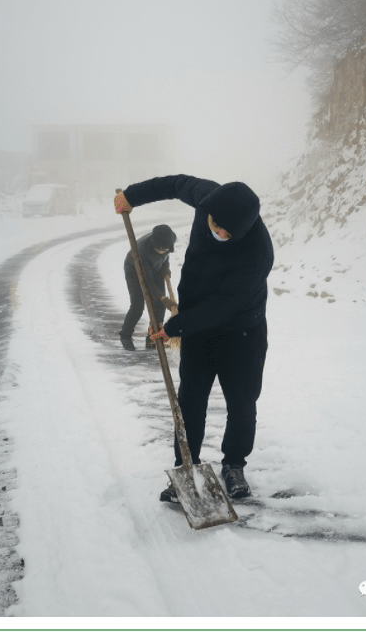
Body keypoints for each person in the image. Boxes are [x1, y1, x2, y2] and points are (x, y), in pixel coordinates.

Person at [115, 175, 274, 502]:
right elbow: (173, 184)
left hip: (241, 331)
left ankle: (233, 465)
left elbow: (224, 305)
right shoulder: (209, 200)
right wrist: (132, 196)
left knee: (242, 403)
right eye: (214, 226)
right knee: (190, 401)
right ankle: (186, 465)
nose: (217, 233)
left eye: (226, 234)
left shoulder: (258, 253)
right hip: (199, 328)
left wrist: (174, 327)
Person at [119, 223, 177, 351]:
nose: (162, 252)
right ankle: (125, 336)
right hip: (135, 270)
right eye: (159, 250)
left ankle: (153, 337)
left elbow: (165, 257)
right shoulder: (141, 251)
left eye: (165, 249)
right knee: (138, 305)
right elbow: (147, 281)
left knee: (160, 307)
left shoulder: (170, 238)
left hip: (156, 269)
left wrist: (165, 267)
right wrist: (162, 297)